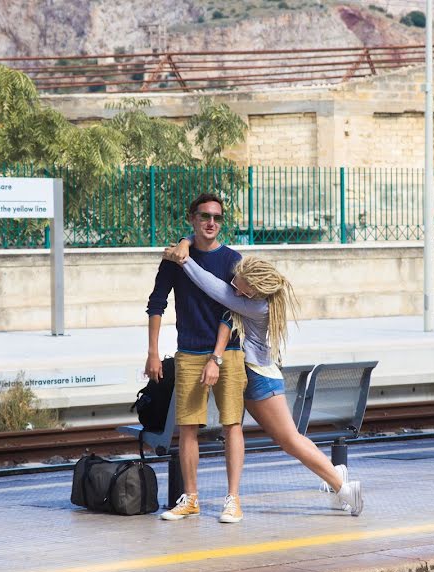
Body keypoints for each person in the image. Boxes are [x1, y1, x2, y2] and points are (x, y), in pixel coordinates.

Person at [162, 243, 364, 516]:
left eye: (240, 286)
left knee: (289, 441)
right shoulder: (253, 300)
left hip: (259, 378)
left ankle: (343, 486)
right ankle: (335, 475)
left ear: (253, 291)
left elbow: (212, 287)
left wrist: (185, 261)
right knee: (290, 439)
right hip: (258, 375)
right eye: (234, 281)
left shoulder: (256, 306)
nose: (234, 287)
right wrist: (187, 244)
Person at [145, 193, 248, 524]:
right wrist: (152, 352)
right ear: (192, 219)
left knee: (232, 425)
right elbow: (157, 303)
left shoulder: (234, 260)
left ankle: (233, 499)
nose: (211, 223)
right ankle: (190, 499)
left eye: (217, 218)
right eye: (204, 216)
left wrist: (215, 358)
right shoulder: (175, 260)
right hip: (188, 351)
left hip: (227, 353)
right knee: (187, 427)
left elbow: (234, 311)